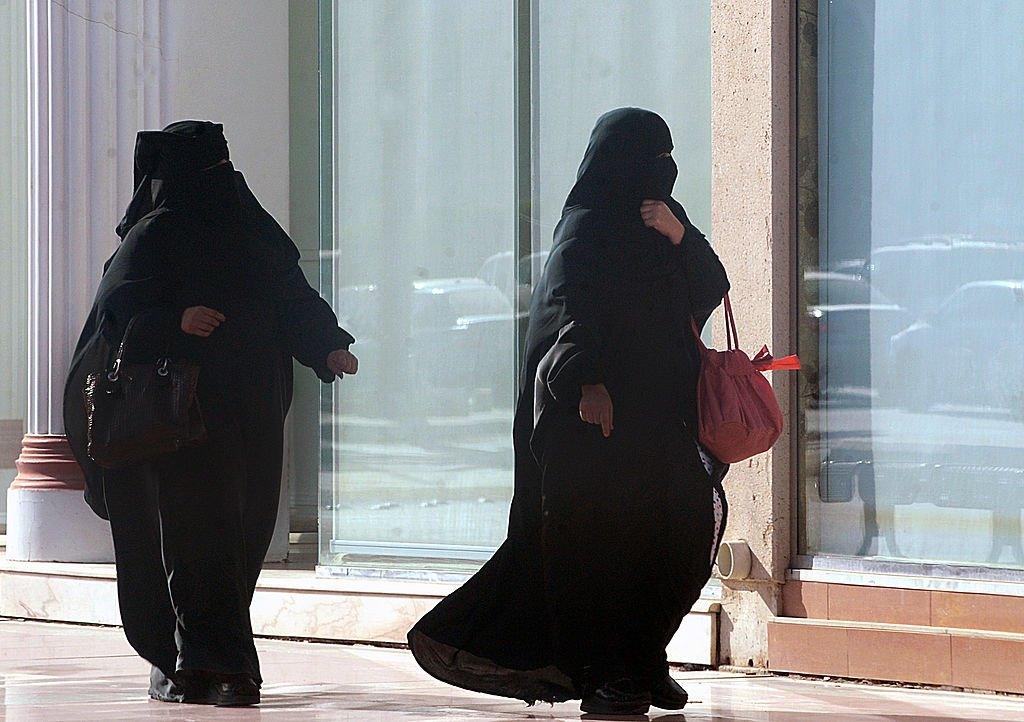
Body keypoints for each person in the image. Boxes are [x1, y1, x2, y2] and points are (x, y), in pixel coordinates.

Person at [407, 108, 730, 716]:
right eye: (651, 157)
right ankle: (609, 673)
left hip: (664, 420)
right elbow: (565, 308)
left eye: (668, 156)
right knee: (604, 551)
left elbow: (711, 287)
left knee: (679, 538)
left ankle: (644, 659)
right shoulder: (586, 228)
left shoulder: (664, 222)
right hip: (596, 430)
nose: (663, 170)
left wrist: (681, 238)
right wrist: (588, 381)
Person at [63, 121, 358, 707]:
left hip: (250, 410)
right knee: (193, 537)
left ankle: (197, 660)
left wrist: (326, 342)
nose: (226, 180)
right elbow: (113, 319)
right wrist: (175, 319)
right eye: (213, 171)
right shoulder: (151, 238)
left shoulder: (252, 229)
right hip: (180, 424)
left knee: (244, 530)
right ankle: (216, 664)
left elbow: (289, 292)